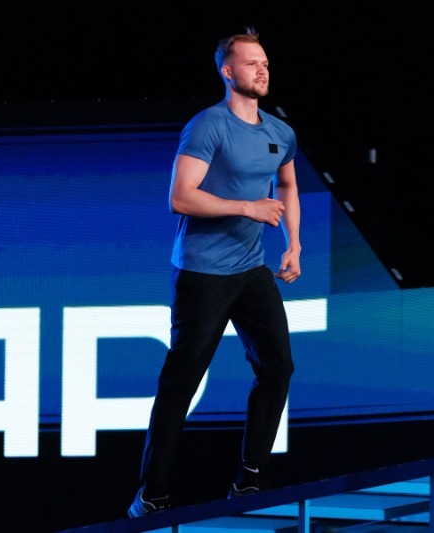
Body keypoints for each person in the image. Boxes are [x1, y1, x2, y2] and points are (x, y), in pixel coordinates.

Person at [128, 27, 301, 518]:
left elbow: (287, 186)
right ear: (227, 71)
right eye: (251, 63)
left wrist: (294, 244)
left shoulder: (280, 132)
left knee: (278, 367)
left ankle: (249, 481)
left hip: (251, 270)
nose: (262, 70)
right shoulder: (208, 126)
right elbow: (180, 197)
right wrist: (247, 207)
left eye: (265, 62)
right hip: (202, 274)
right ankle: (151, 495)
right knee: (181, 382)